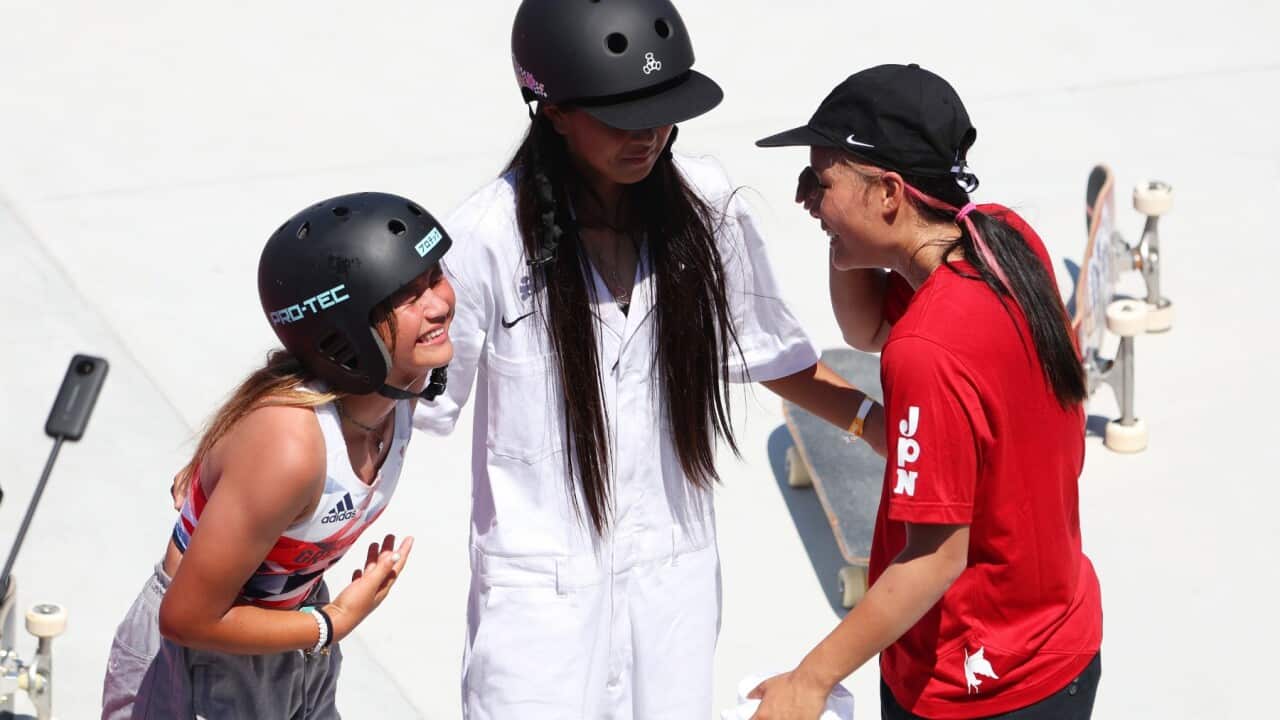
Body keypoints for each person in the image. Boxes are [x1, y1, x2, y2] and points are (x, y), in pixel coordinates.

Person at [413, 1, 886, 717]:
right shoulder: (483, 241)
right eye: (621, 117)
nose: (649, 135)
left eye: (663, 112)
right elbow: (406, 401)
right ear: (553, 109)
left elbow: (768, 351)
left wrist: (880, 426)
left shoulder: (708, 204)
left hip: (675, 582)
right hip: (541, 601)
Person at [747, 64, 1103, 719]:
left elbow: (936, 559)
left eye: (821, 183)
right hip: (1059, 642)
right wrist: (838, 230)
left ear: (888, 191)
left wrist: (810, 679)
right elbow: (865, 328)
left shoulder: (926, 350)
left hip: (979, 684)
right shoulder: (1003, 241)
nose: (812, 199)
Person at [101, 192, 455, 718]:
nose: (439, 303)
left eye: (434, 276)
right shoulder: (290, 446)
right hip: (204, 662)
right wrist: (334, 622)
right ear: (344, 330)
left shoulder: (397, 390)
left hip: (283, 637)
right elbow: (187, 617)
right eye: (406, 295)